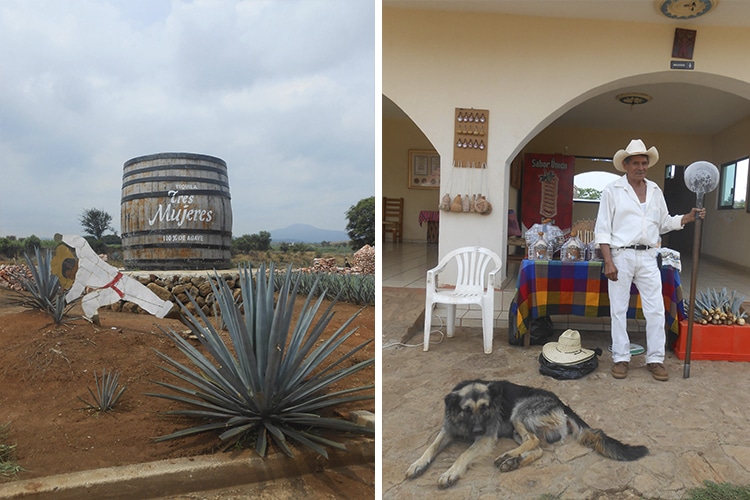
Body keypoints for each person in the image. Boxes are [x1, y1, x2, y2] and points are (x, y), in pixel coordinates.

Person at [594, 139, 705, 381]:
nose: (641, 167)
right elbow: (602, 229)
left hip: (648, 255)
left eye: (644, 163)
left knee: (655, 310)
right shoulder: (612, 190)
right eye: (636, 163)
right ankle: (621, 358)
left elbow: (664, 222)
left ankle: (655, 359)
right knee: (619, 309)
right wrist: (608, 261)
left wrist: (686, 217)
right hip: (621, 255)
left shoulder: (655, 190)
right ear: (626, 165)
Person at [54, 234, 176, 325]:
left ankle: (173, 314)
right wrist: (62, 237)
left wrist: (60, 305)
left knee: (150, 302)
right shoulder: (86, 258)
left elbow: (74, 293)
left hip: (120, 284)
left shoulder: (82, 270)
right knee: (88, 301)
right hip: (113, 289)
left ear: (70, 266)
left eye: (69, 274)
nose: (71, 277)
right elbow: (80, 242)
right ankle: (96, 325)